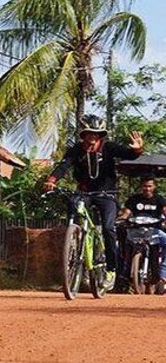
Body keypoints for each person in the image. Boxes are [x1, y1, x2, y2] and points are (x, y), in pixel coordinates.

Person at [43, 115, 144, 291]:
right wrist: (52, 180)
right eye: (89, 134)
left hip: (107, 194)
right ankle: (74, 238)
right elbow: (64, 166)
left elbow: (129, 154)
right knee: (74, 206)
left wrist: (137, 149)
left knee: (108, 228)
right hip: (85, 192)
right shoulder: (75, 150)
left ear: (100, 136)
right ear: (83, 135)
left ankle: (111, 270)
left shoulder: (109, 148)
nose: (92, 138)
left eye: (96, 134)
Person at [118, 177, 166, 293]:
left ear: (154, 187)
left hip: (154, 232)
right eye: (145, 186)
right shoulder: (134, 200)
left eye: (149, 186)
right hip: (136, 231)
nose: (147, 189)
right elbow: (127, 212)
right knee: (120, 248)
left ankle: (163, 274)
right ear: (141, 187)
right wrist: (122, 218)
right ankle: (125, 277)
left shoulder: (159, 200)